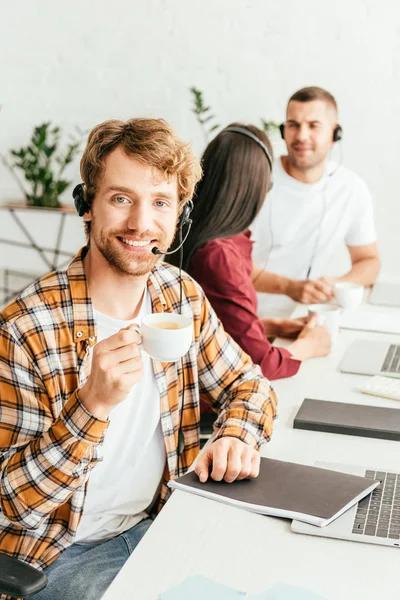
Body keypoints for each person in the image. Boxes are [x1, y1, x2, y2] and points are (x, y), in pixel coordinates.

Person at [0, 118, 277, 600]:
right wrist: (90, 407)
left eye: (160, 203)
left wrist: (236, 433)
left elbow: (249, 385)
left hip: (161, 525)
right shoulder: (25, 328)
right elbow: (11, 505)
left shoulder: (179, 296)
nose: (141, 224)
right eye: (122, 198)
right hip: (61, 554)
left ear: (179, 219)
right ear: (87, 207)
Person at [168, 123, 331, 384]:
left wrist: (269, 326)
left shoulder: (202, 235)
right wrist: (307, 347)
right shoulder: (218, 256)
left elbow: (208, 329)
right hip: (212, 405)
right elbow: (259, 363)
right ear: (258, 189)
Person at [251, 86, 380, 318]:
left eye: (313, 126)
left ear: (335, 134)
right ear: (283, 131)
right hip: (245, 321)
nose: (301, 136)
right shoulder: (254, 179)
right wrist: (290, 287)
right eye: (293, 125)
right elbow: (223, 264)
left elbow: (369, 261)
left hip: (302, 320)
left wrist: (335, 285)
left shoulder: (351, 189)